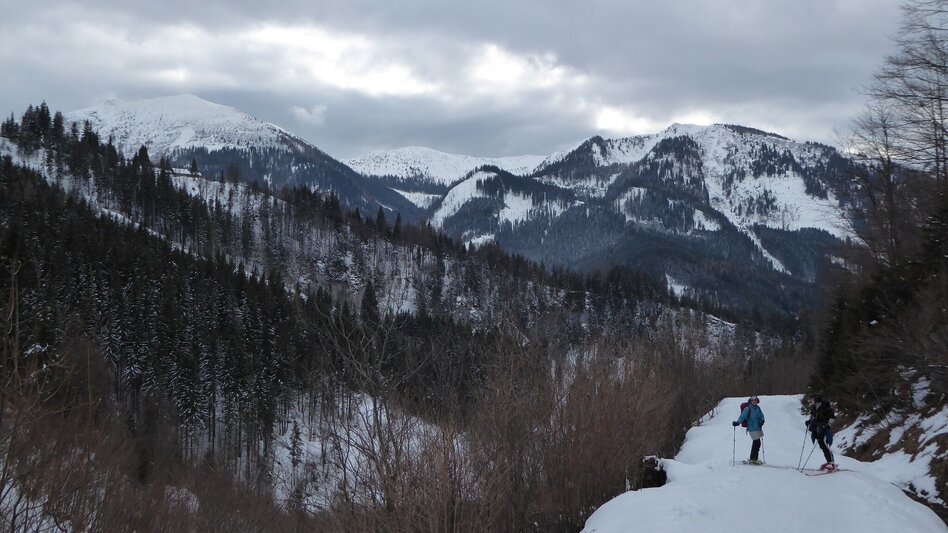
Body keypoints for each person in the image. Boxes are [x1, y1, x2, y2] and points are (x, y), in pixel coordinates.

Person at [805, 394, 836, 470]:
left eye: (812, 399)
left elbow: (832, 417)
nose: (810, 401)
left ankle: (832, 463)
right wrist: (809, 421)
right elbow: (812, 418)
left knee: (825, 445)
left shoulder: (825, 407)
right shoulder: (813, 408)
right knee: (822, 445)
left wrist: (828, 425)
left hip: (824, 429)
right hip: (817, 429)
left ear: (816, 400)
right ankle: (829, 462)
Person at [733, 396, 765, 464]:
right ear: (750, 401)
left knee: (757, 443)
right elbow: (742, 416)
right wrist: (738, 422)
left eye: (755, 400)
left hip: (758, 427)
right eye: (753, 401)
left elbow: (761, 416)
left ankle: (753, 458)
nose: (754, 402)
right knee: (757, 442)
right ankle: (754, 459)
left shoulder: (758, 408)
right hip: (752, 427)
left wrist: (762, 421)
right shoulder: (748, 409)